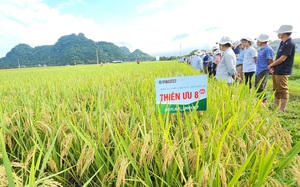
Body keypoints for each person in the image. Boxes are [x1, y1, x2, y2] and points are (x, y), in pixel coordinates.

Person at [268, 25, 295, 113]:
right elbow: (278, 57)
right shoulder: (282, 43)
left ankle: (282, 108)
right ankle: (276, 104)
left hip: (283, 70)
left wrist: (271, 64)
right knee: (276, 88)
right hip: (277, 69)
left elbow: (283, 58)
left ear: (283, 33)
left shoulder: (290, 43)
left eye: (279, 33)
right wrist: (273, 67)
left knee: (283, 89)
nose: (277, 35)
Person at [255, 34, 274, 103]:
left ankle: (264, 102)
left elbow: (270, 60)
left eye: (258, 41)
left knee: (261, 86)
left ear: (262, 41)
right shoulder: (261, 49)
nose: (257, 42)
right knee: (257, 86)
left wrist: (270, 69)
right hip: (258, 70)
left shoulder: (268, 49)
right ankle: (260, 101)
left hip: (264, 70)